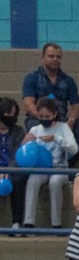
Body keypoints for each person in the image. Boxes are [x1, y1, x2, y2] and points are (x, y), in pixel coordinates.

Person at [21, 42, 79, 166]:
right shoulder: (32, 78)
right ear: (42, 58)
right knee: (35, 133)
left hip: (62, 120)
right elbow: (28, 104)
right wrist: (45, 118)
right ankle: (42, 164)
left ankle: (64, 163)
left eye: (58, 57)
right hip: (38, 119)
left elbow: (76, 106)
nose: (55, 59)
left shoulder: (68, 80)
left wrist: (70, 122)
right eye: (51, 56)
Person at [22, 97, 78, 230]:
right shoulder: (35, 129)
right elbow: (25, 151)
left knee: (55, 182)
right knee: (32, 180)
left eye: (47, 116)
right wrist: (25, 142)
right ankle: (28, 222)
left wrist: (56, 139)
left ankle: (56, 223)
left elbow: (74, 149)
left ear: (54, 114)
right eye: (41, 116)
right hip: (41, 169)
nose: (44, 119)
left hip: (60, 169)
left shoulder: (63, 128)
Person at [0, 98, 27, 229]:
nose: (12, 117)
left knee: (18, 180)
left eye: (14, 114)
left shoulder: (19, 131)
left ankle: (16, 222)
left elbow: (18, 155)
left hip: (13, 170)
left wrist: (8, 170)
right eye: (8, 113)